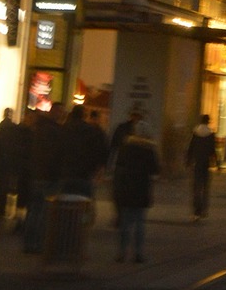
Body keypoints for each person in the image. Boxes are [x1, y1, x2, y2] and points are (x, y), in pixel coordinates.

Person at [111, 117, 160, 264]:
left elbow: (118, 166)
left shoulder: (126, 147)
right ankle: (138, 253)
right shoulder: (149, 150)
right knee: (139, 222)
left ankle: (122, 253)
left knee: (125, 221)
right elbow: (155, 170)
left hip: (126, 187)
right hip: (142, 188)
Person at [22, 103, 64, 253]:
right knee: (44, 211)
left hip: (37, 174)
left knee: (34, 209)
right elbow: (55, 155)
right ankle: (39, 243)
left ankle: (29, 242)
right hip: (49, 176)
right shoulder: (54, 131)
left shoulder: (38, 129)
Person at [58, 104, 108, 198]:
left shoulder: (62, 129)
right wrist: (99, 168)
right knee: (84, 201)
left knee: (64, 200)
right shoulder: (92, 131)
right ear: (84, 116)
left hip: (65, 172)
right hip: (85, 173)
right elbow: (100, 151)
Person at [184, 116, 218, 219]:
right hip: (206, 163)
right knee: (205, 187)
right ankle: (203, 209)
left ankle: (196, 210)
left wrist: (188, 161)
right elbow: (213, 150)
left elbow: (190, 148)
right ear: (208, 122)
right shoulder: (210, 134)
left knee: (196, 187)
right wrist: (216, 163)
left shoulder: (195, 133)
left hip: (196, 163)